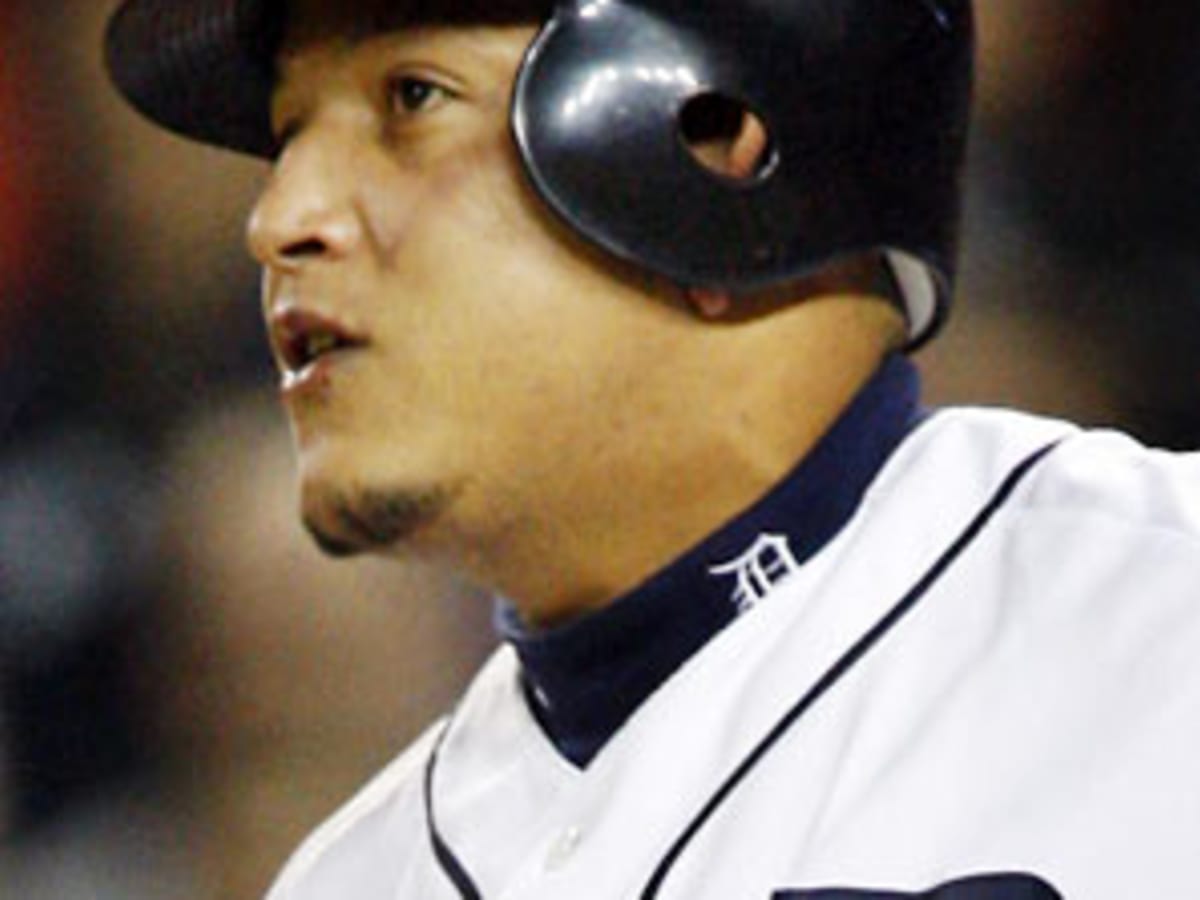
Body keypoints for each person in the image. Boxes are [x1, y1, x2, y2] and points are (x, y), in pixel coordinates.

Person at [104, 0, 1200, 897]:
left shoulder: (1161, 611)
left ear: (722, 140)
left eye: (413, 100)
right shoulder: (353, 882)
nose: (278, 218)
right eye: (289, 138)